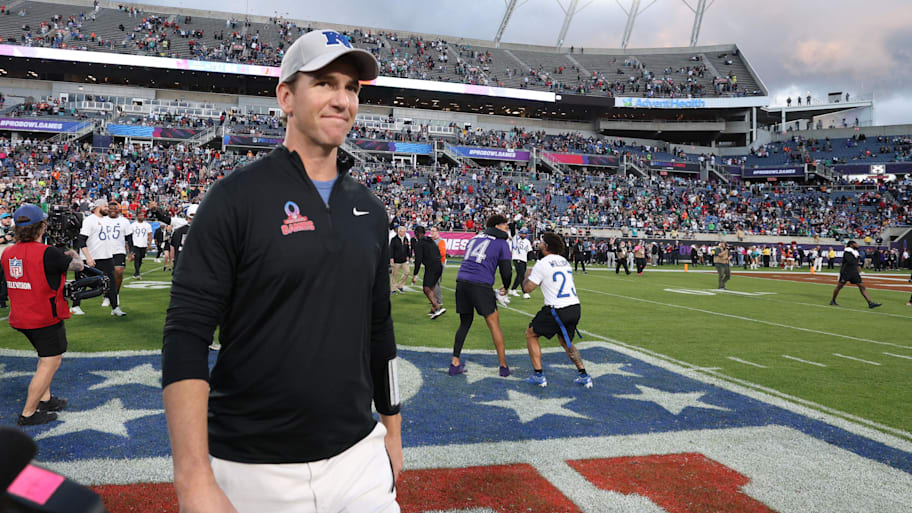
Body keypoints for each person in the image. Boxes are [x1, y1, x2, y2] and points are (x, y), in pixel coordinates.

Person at [162, 30, 401, 513]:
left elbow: (380, 330)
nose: (342, 99)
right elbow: (186, 334)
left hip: (359, 458)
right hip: (253, 467)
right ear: (286, 97)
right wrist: (192, 476)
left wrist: (392, 431)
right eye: (326, 83)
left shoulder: (370, 209)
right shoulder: (235, 198)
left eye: (352, 87)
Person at [1, 204, 84, 425]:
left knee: (44, 356)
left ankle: (45, 399)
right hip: (43, 316)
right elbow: (78, 266)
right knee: (51, 361)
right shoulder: (48, 253)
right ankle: (28, 413)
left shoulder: (8, 251)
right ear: (42, 227)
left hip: (20, 315)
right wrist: (74, 251)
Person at [521, 232, 591, 388]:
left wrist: (525, 274)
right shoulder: (564, 261)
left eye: (541, 242)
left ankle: (538, 374)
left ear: (546, 246)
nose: (538, 245)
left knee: (531, 333)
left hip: (557, 308)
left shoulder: (543, 263)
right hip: (574, 306)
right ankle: (584, 374)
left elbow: (527, 289)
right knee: (565, 341)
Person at [449, 214, 513, 377]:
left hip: (462, 281)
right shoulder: (501, 242)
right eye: (505, 224)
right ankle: (503, 366)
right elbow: (506, 270)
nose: (507, 226)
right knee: (494, 324)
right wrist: (506, 286)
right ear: (497, 225)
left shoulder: (474, 238)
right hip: (481, 284)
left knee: (464, 323)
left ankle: (454, 362)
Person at [75, 198, 124, 316]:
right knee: (83, 283)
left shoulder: (107, 220)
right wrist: (88, 258)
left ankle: (115, 308)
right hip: (93, 257)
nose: (108, 209)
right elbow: (81, 241)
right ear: (98, 207)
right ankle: (75, 306)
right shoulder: (89, 221)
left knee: (111, 283)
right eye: (105, 206)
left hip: (106, 257)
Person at [831, 240, 881, 309]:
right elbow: (851, 261)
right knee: (839, 286)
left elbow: (855, 263)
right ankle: (833, 300)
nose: (857, 245)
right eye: (855, 244)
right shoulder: (847, 252)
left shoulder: (855, 252)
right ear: (851, 245)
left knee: (862, 286)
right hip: (846, 272)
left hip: (854, 272)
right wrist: (858, 258)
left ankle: (870, 303)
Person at [411, 225, 445, 319]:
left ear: (417, 234)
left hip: (431, 266)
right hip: (439, 265)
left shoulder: (419, 243)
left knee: (426, 288)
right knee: (432, 287)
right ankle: (434, 309)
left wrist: (415, 275)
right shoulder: (430, 240)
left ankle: (438, 308)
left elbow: (418, 260)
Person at [105, 201, 131, 307]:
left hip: (119, 250)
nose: (112, 210)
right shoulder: (102, 220)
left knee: (119, 272)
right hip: (104, 250)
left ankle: (116, 294)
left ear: (118, 210)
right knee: (106, 275)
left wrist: (132, 252)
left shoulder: (124, 221)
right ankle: (107, 296)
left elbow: (129, 237)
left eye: (114, 208)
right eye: (110, 208)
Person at [169, 204, 196, 271]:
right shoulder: (203, 231)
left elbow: (172, 249)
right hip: (194, 265)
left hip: (180, 264)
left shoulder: (178, 231)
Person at [508, 227, 533, 299]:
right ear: (519, 233)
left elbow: (530, 251)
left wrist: (535, 259)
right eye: (522, 233)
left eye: (525, 234)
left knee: (520, 275)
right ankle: (525, 292)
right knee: (521, 275)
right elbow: (513, 234)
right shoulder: (516, 239)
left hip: (524, 259)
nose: (523, 235)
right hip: (517, 258)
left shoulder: (527, 241)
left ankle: (513, 289)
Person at [128, 210, 153, 279]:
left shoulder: (147, 225)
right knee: (137, 257)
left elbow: (150, 234)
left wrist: (149, 244)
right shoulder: (133, 225)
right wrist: (130, 246)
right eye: (140, 215)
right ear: (137, 216)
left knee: (140, 259)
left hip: (144, 244)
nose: (142, 217)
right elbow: (130, 235)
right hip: (136, 244)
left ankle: (137, 271)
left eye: (143, 215)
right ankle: (137, 273)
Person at [388, 226, 410, 294]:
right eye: (402, 231)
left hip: (404, 260)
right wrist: (391, 258)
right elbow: (391, 249)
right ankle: (393, 289)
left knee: (407, 272)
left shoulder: (406, 239)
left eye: (404, 231)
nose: (403, 233)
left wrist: (409, 256)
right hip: (396, 260)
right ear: (399, 232)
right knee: (394, 275)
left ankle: (400, 286)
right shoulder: (394, 239)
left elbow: (407, 248)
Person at [430, 226, 447, 309]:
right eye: (431, 231)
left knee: (436, 282)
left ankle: (439, 301)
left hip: (439, 263)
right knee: (433, 282)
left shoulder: (441, 241)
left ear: (438, 232)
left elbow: (443, 253)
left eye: (433, 231)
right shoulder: (431, 241)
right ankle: (434, 299)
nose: (431, 232)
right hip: (433, 264)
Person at [0, 212, 13, 309]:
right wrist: (5, 238)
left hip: (10, 259)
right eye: (5, 218)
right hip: (0, 258)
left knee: (7, 281)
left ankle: (3, 301)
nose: (8, 220)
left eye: (9, 218)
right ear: (1, 220)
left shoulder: (13, 230)